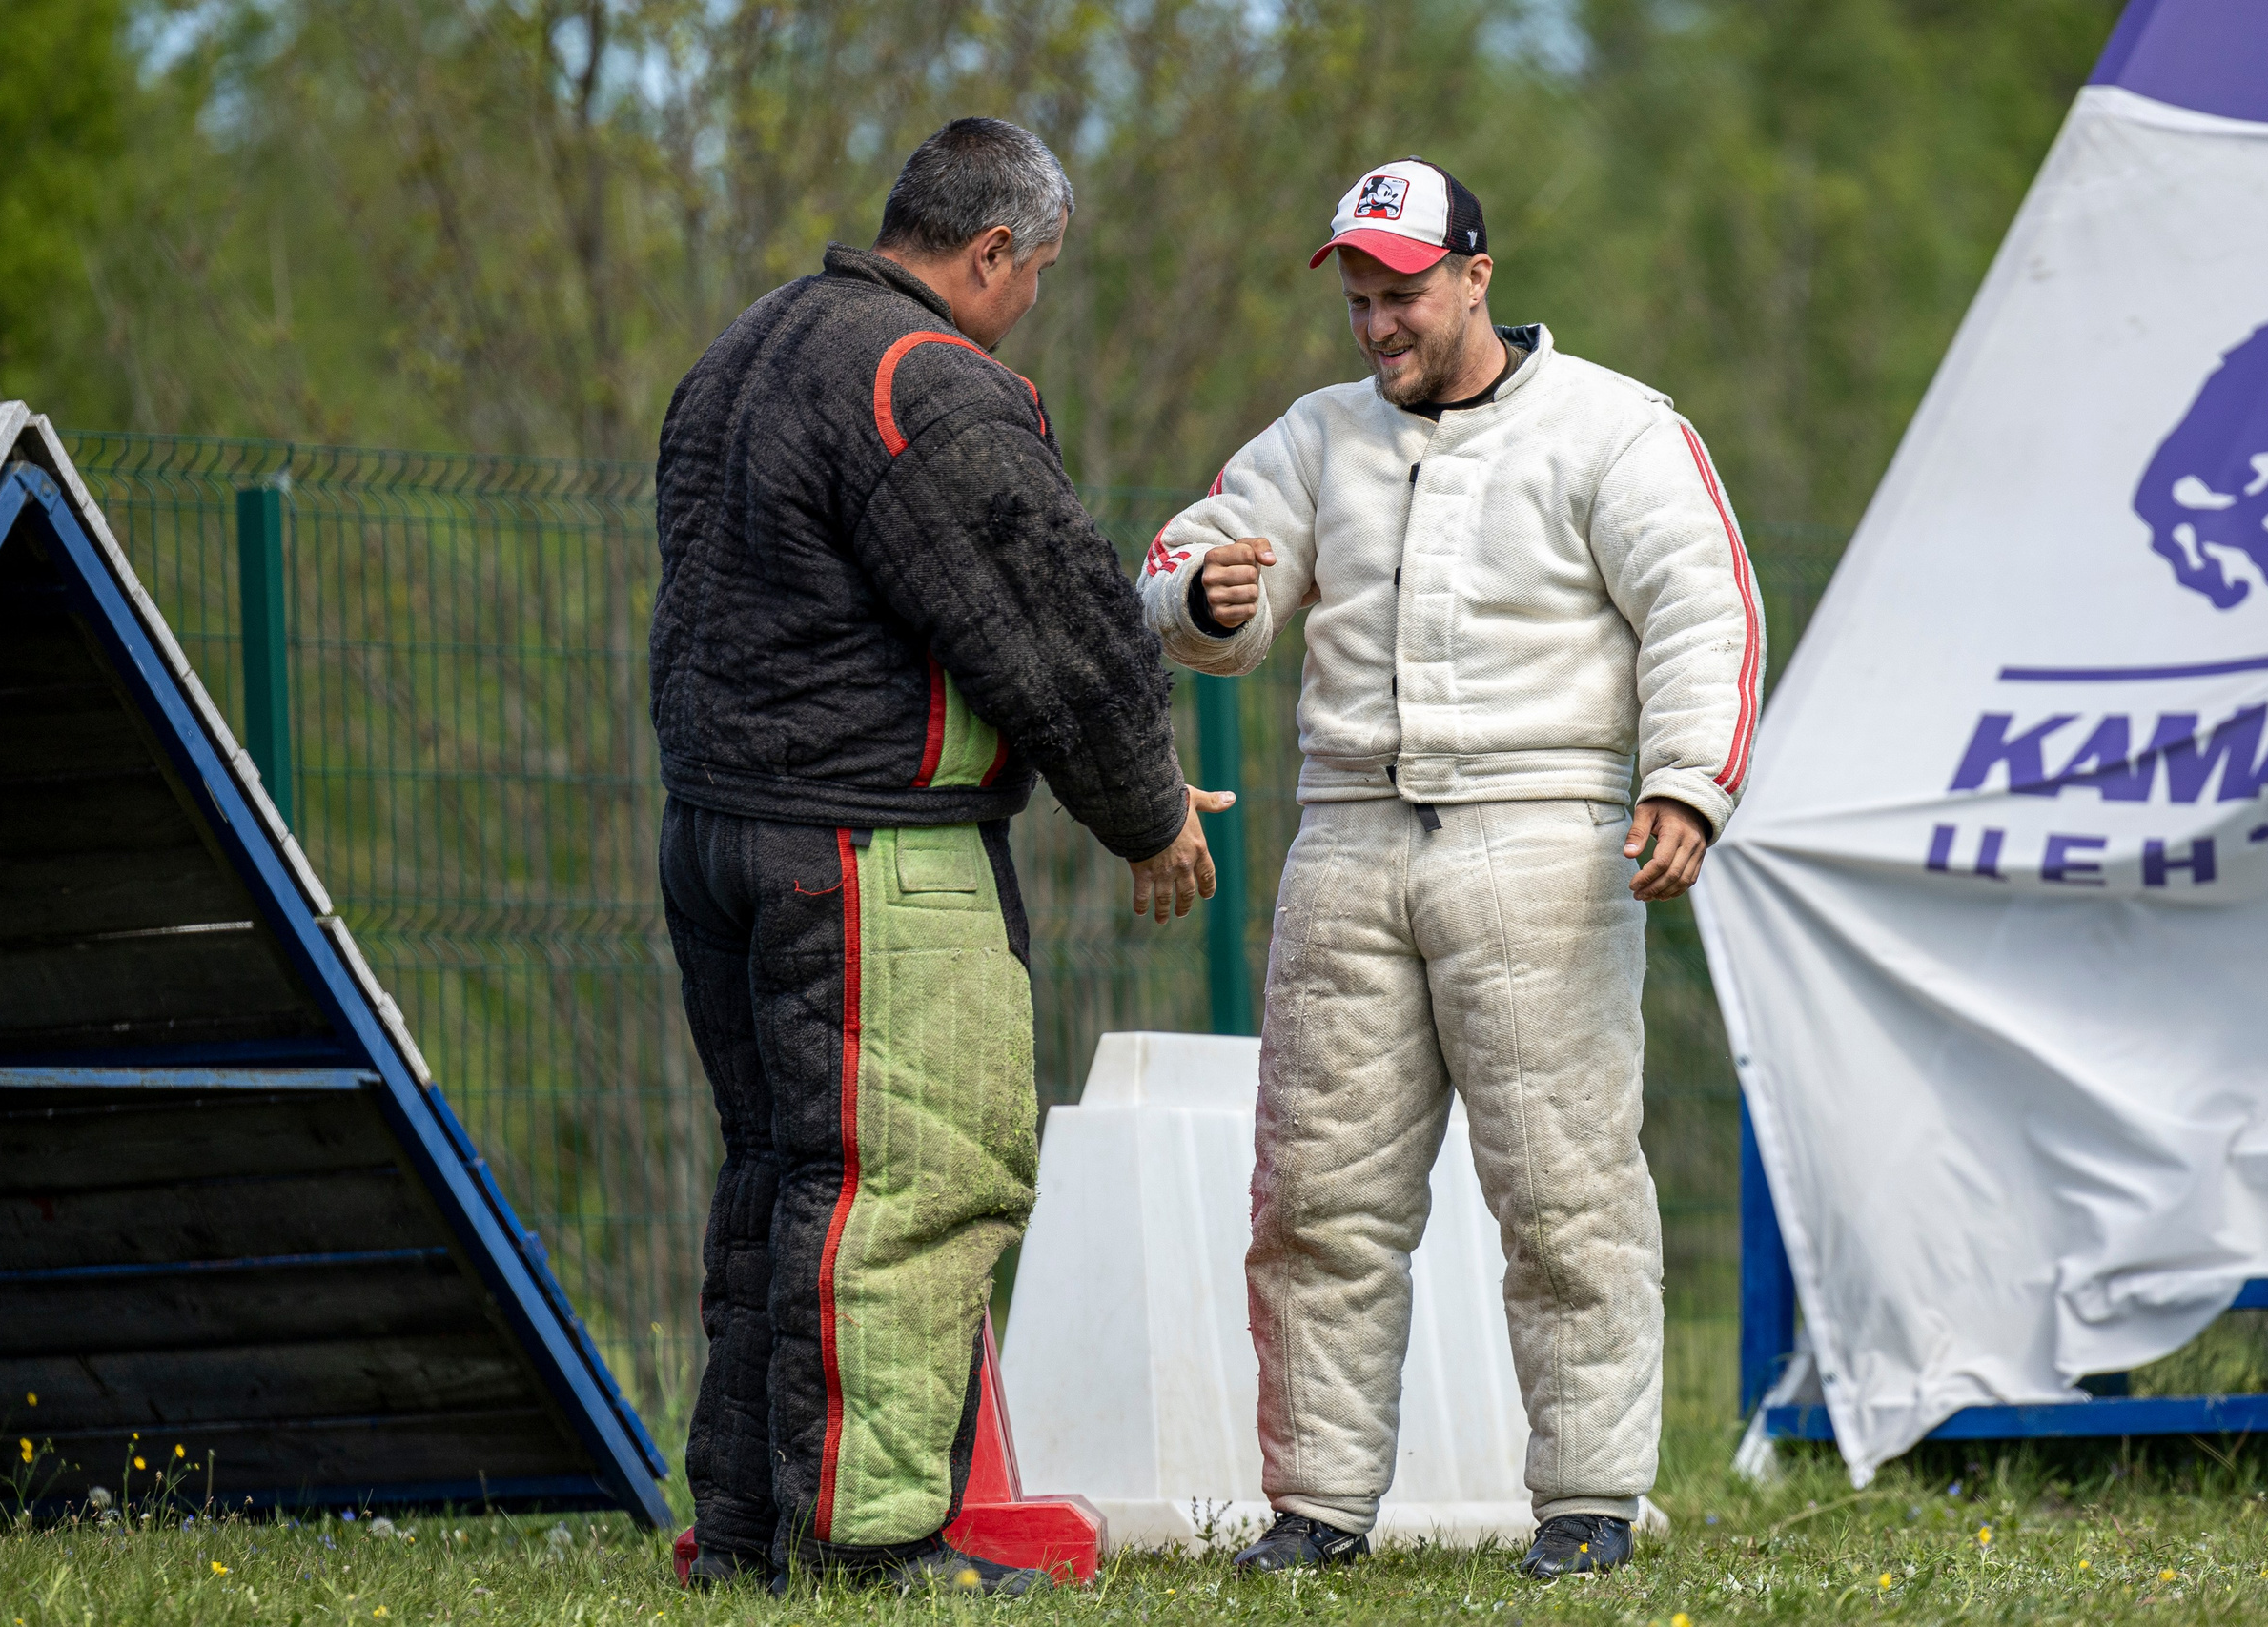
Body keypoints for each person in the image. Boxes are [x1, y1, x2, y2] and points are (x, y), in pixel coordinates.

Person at [1138, 157, 1763, 1577]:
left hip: (1544, 840)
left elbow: (1706, 607)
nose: (1376, 325)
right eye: (1359, 298)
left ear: (1479, 277)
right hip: (1348, 839)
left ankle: (1591, 1501)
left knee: (1564, 1194)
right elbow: (1186, 566)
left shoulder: (1616, 430)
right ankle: (1316, 1507)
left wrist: (1687, 785)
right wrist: (1201, 596)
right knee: (1314, 1200)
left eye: (1403, 294)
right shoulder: (1313, 440)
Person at [652, 116, 1224, 1596]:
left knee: (784, 1186)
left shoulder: (745, 351)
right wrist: (1148, 808)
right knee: (915, 1181)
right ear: (986, 252)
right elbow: (1055, 624)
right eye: (1034, 272)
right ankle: (877, 1544)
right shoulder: (923, 381)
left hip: (717, 832)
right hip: (866, 853)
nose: (1031, 298)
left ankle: (749, 1535)